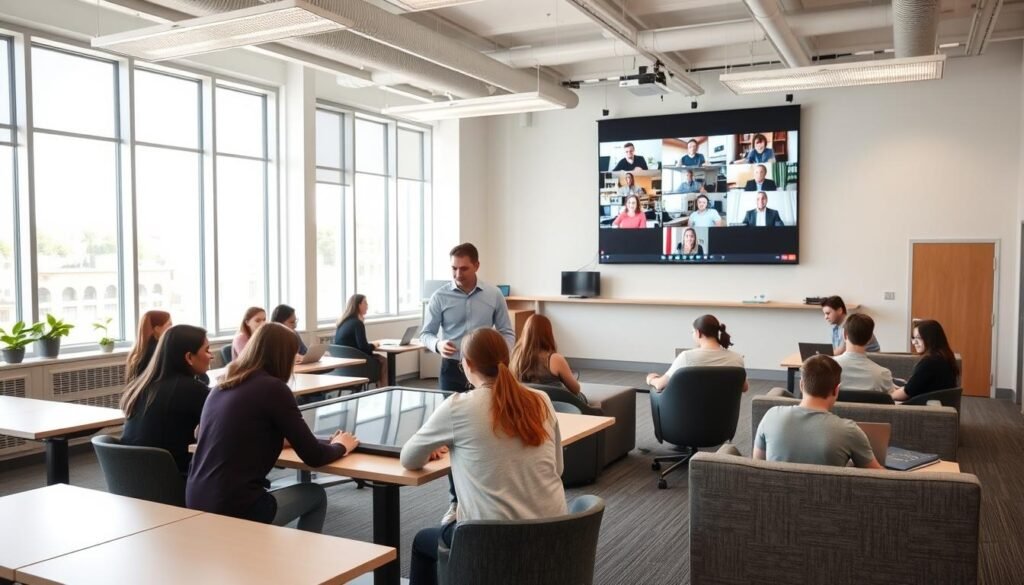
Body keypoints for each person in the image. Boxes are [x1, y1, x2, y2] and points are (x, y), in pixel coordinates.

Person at [401, 328, 566, 585]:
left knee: (423, 541)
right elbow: (558, 468)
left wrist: (435, 448)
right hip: (554, 539)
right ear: (507, 358)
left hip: (491, 545)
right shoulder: (542, 399)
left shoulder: (458, 406)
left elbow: (409, 458)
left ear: (467, 364)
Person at [187, 323, 359, 533]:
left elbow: (228, 433)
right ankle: (302, 565)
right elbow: (314, 456)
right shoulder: (274, 388)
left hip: (196, 498)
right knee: (315, 496)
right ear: (283, 356)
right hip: (236, 507)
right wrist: (341, 446)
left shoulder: (222, 385)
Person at [420, 242, 515, 523]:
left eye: (463, 268)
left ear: (476, 265)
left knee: (492, 429)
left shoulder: (493, 294)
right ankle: (456, 501)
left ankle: (490, 495)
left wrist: (501, 355)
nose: (457, 273)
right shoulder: (439, 297)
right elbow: (425, 334)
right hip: (452, 369)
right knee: (454, 436)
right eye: (453, 268)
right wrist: (437, 345)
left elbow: (507, 331)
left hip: (488, 370)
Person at [754, 354, 883, 469]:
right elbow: (879, 476)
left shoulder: (771, 416)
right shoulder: (849, 431)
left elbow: (757, 465)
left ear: (801, 384)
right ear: (836, 390)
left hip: (775, 495)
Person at [120, 324, 211, 475]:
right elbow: (224, 426)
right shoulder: (192, 390)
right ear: (189, 357)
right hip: (172, 480)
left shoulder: (142, 385)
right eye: (207, 350)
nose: (211, 356)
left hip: (131, 479)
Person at [646, 314, 747, 393]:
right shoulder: (737, 359)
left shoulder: (686, 357)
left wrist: (651, 379)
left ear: (699, 333)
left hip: (687, 417)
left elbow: (660, 385)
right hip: (725, 417)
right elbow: (744, 388)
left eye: (692, 332)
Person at [510, 314, 582, 395]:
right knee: (581, 397)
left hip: (526, 402)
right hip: (555, 404)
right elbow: (575, 389)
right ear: (548, 333)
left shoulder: (515, 355)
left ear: (526, 332)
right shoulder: (554, 359)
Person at [891, 320, 960, 402]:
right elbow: (914, 387)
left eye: (918, 338)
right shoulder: (944, 356)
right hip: (937, 404)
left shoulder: (930, 362)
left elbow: (906, 394)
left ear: (931, 339)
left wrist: (888, 395)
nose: (914, 342)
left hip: (923, 406)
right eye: (913, 338)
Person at [333, 293, 389, 386]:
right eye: (365, 303)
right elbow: (364, 348)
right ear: (358, 305)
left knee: (379, 359)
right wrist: (374, 345)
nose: (367, 306)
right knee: (383, 360)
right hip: (357, 364)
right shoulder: (357, 323)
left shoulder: (342, 322)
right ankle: (384, 388)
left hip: (344, 366)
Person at [833, 314, 894, 393]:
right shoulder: (882, 375)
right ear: (870, 339)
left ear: (845, 335)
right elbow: (891, 401)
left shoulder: (828, 368)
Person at [125, 310, 172, 382]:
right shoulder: (157, 352)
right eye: (169, 325)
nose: (172, 328)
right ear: (157, 329)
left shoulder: (140, 351)